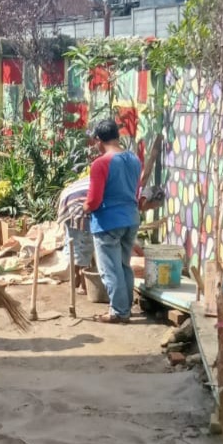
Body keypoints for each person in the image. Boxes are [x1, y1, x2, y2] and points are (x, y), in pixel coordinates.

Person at [85, 118, 143, 324]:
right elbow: (136, 191)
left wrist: (85, 208)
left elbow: (94, 199)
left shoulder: (101, 163)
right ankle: (125, 307)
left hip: (108, 221)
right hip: (130, 218)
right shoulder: (134, 159)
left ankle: (118, 311)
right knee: (123, 265)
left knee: (110, 268)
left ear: (99, 140)